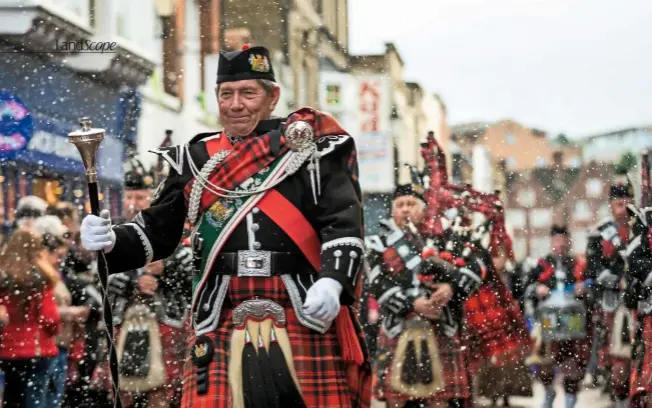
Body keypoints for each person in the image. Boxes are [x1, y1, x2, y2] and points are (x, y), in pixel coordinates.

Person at [80, 43, 370, 407]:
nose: (236, 104)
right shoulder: (196, 158)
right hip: (220, 310)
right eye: (226, 93)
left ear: (273, 97)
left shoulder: (311, 153)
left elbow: (343, 225)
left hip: (300, 305)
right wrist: (110, 241)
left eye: (248, 93)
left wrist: (332, 281)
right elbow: (156, 233)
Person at [366, 183, 486, 408]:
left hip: (441, 328)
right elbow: (377, 284)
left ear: (423, 210)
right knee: (397, 400)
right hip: (398, 328)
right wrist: (414, 304)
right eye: (400, 205)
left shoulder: (445, 238)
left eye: (411, 204)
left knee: (439, 399)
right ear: (392, 211)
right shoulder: (378, 244)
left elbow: (477, 265)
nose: (405, 210)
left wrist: (452, 289)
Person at [91, 154, 192, 408]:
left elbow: (192, 279)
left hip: (166, 322)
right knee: (121, 392)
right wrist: (135, 281)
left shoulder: (173, 234)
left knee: (162, 393)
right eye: (129, 197)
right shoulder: (112, 236)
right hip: (123, 322)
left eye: (141, 197)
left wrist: (166, 272)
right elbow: (99, 280)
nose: (134, 203)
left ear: (153, 200)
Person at [524, 225, 592, 408]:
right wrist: (536, 289)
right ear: (551, 241)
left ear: (568, 241)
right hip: (548, 318)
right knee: (545, 361)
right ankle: (548, 393)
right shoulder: (541, 264)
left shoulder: (577, 264)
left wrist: (583, 290)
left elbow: (592, 288)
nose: (560, 244)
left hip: (573, 318)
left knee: (571, 362)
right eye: (556, 240)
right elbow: (525, 288)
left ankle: (570, 399)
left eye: (563, 240)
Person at [0, 229, 62, 408]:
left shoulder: (4, 280)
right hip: (37, 349)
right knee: (35, 398)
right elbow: (50, 319)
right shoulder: (40, 280)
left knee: (12, 397)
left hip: (8, 351)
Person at [586, 178, 635, 405]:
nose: (624, 207)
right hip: (612, 300)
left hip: (639, 300)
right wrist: (617, 280)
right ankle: (614, 390)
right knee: (613, 352)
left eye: (628, 202)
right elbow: (594, 269)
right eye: (619, 203)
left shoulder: (642, 227)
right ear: (611, 205)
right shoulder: (600, 233)